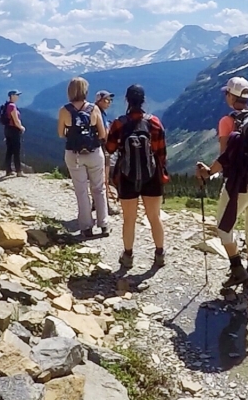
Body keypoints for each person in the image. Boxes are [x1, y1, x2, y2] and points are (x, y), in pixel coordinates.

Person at [196, 76, 248, 294]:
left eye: (226, 93)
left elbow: (225, 157)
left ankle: (236, 267)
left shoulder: (228, 121)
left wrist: (208, 172)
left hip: (240, 186)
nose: (225, 96)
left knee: (224, 226)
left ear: (232, 96)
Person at [105, 84, 168, 270]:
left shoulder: (119, 123)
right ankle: (159, 254)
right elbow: (161, 153)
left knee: (129, 219)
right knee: (154, 217)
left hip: (127, 177)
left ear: (126, 100)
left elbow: (109, 148)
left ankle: (128, 255)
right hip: (152, 176)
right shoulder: (154, 122)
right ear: (144, 101)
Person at [57, 77, 109, 237]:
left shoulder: (64, 110)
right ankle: (104, 224)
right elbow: (103, 133)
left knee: (81, 191)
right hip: (94, 152)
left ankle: (86, 227)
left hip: (74, 154)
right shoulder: (94, 109)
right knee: (99, 189)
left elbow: (60, 134)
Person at [95, 90, 119, 212]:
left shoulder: (95, 111)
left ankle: (96, 203)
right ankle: (106, 207)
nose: (109, 102)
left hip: (94, 149)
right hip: (103, 148)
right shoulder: (100, 113)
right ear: (99, 100)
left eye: (110, 100)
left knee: (97, 178)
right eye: (106, 100)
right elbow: (104, 133)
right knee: (104, 178)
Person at [1, 90, 26, 177]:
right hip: (14, 130)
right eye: (16, 95)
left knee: (9, 150)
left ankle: (8, 170)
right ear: (12, 96)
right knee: (16, 151)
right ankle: (19, 171)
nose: (18, 96)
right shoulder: (12, 106)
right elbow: (16, 120)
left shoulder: (7, 105)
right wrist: (21, 127)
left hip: (7, 129)